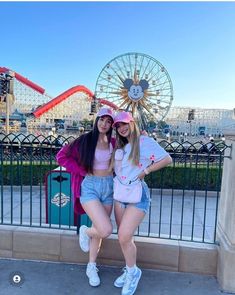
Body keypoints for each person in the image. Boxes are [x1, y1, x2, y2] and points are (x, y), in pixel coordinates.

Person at [111, 111, 172, 295]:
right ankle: (130, 268)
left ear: (132, 123)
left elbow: (167, 159)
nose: (121, 128)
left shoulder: (143, 142)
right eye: (118, 126)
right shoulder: (122, 146)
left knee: (123, 235)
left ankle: (133, 273)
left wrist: (146, 170)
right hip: (120, 194)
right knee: (125, 238)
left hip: (137, 194)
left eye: (124, 124)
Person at [56, 107, 115, 287]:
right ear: (96, 121)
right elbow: (61, 156)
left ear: (112, 124)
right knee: (105, 230)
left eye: (108, 121)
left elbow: (131, 151)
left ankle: (91, 266)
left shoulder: (114, 141)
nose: (104, 124)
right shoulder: (85, 140)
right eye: (101, 120)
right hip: (90, 186)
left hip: (109, 187)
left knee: (99, 229)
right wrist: (81, 170)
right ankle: (84, 231)